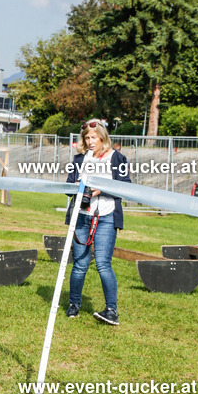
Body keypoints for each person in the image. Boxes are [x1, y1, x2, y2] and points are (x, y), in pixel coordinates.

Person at [65, 119, 131, 325]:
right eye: (87, 138)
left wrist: (100, 189)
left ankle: (111, 310)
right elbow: (67, 187)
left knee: (103, 264)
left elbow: (126, 186)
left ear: (102, 137)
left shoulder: (117, 158)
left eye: (94, 137)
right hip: (82, 216)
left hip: (106, 216)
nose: (90, 141)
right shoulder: (79, 159)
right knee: (80, 265)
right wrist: (76, 186)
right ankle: (74, 305)